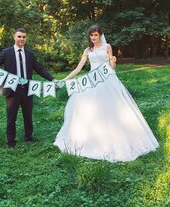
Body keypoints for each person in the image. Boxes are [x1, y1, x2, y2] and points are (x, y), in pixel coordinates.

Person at [53, 25, 159, 162]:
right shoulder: (87, 50)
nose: (93, 38)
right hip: (91, 80)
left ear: (100, 35)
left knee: (111, 108)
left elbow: (111, 67)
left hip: (106, 78)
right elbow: (78, 68)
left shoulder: (107, 46)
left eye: (95, 35)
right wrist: (63, 80)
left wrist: (113, 63)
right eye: (91, 35)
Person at [0, 28, 55, 149]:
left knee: (28, 115)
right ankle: (11, 141)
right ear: (14, 37)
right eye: (19, 36)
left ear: (26, 38)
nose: (21, 39)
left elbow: (39, 69)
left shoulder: (30, 54)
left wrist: (52, 79)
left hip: (28, 89)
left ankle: (29, 137)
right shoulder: (6, 52)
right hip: (12, 90)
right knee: (11, 117)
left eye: (24, 37)